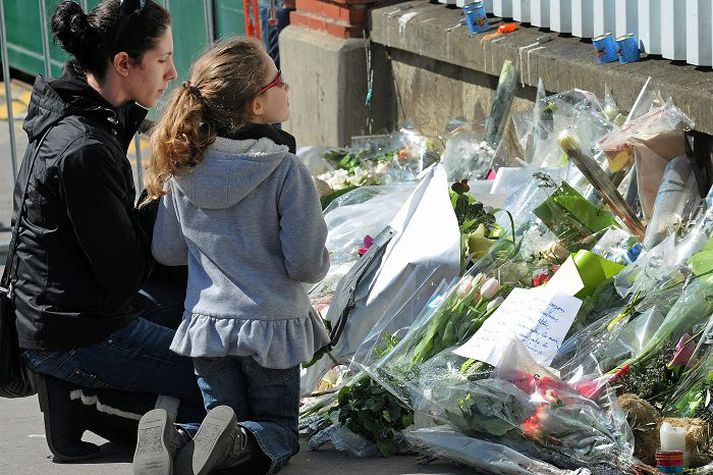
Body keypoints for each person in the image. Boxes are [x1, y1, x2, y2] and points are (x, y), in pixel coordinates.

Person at [11, 0, 204, 461]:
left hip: (72, 309)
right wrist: (172, 207)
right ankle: (87, 404)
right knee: (221, 376)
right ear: (123, 63)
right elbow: (126, 273)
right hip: (71, 333)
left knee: (209, 312)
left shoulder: (91, 116)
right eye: (162, 59)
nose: (173, 72)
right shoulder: (84, 146)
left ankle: (84, 395)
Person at [134, 37, 330, 474]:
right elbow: (305, 263)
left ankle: (177, 434)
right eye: (279, 80)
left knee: (216, 423)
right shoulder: (285, 169)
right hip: (272, 329)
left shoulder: (182, 164)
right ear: (258, 105)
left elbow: (166, 251)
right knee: (277, 430)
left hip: (207, 327)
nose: (288, 87)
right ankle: (240, 439)